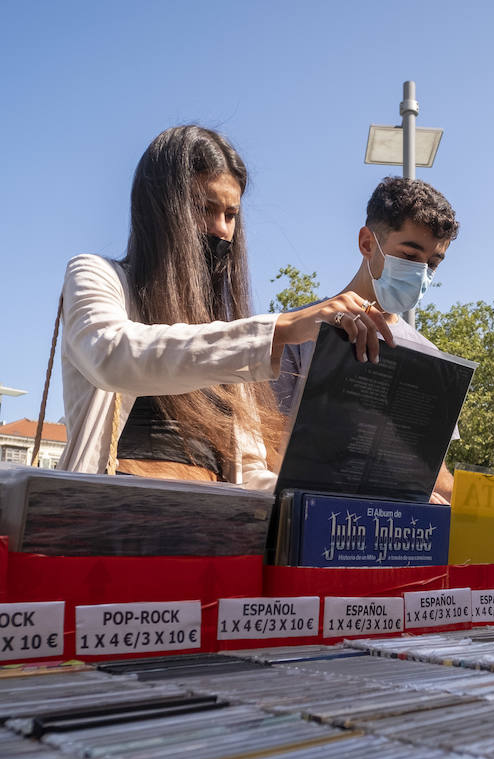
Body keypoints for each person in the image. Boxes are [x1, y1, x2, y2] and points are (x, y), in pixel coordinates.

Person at [54, 126, 393, 488]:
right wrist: (281, 328)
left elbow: (248, 473)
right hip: (110, 521)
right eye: (204, 209)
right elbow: (113, 355)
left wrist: (331, 490)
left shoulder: (230, 331)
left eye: (230, 215)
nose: (221, 229)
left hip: (212, 527)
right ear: (159, 211)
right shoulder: (96, 275)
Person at [273, 176, 460, 501]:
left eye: (432, 264)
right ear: (367, 243)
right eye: (410, 256)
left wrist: (493, 504)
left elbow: (434, 472)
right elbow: (266, 448)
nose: (422, 274)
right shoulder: (298, 331)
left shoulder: (431, 357)